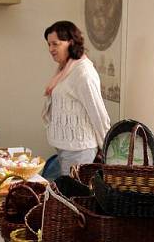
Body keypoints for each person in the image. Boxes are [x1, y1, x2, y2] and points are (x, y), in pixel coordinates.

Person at [42, 20, 110, 178]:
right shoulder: (65, 68)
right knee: (64, 196)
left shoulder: (83, 73)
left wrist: (108, 150)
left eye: (55, 44)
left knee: (72, 199)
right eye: (49, 44)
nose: (51, 49)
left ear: (70, 42)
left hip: (79, 150)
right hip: (66, 148)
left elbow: (98, 114)